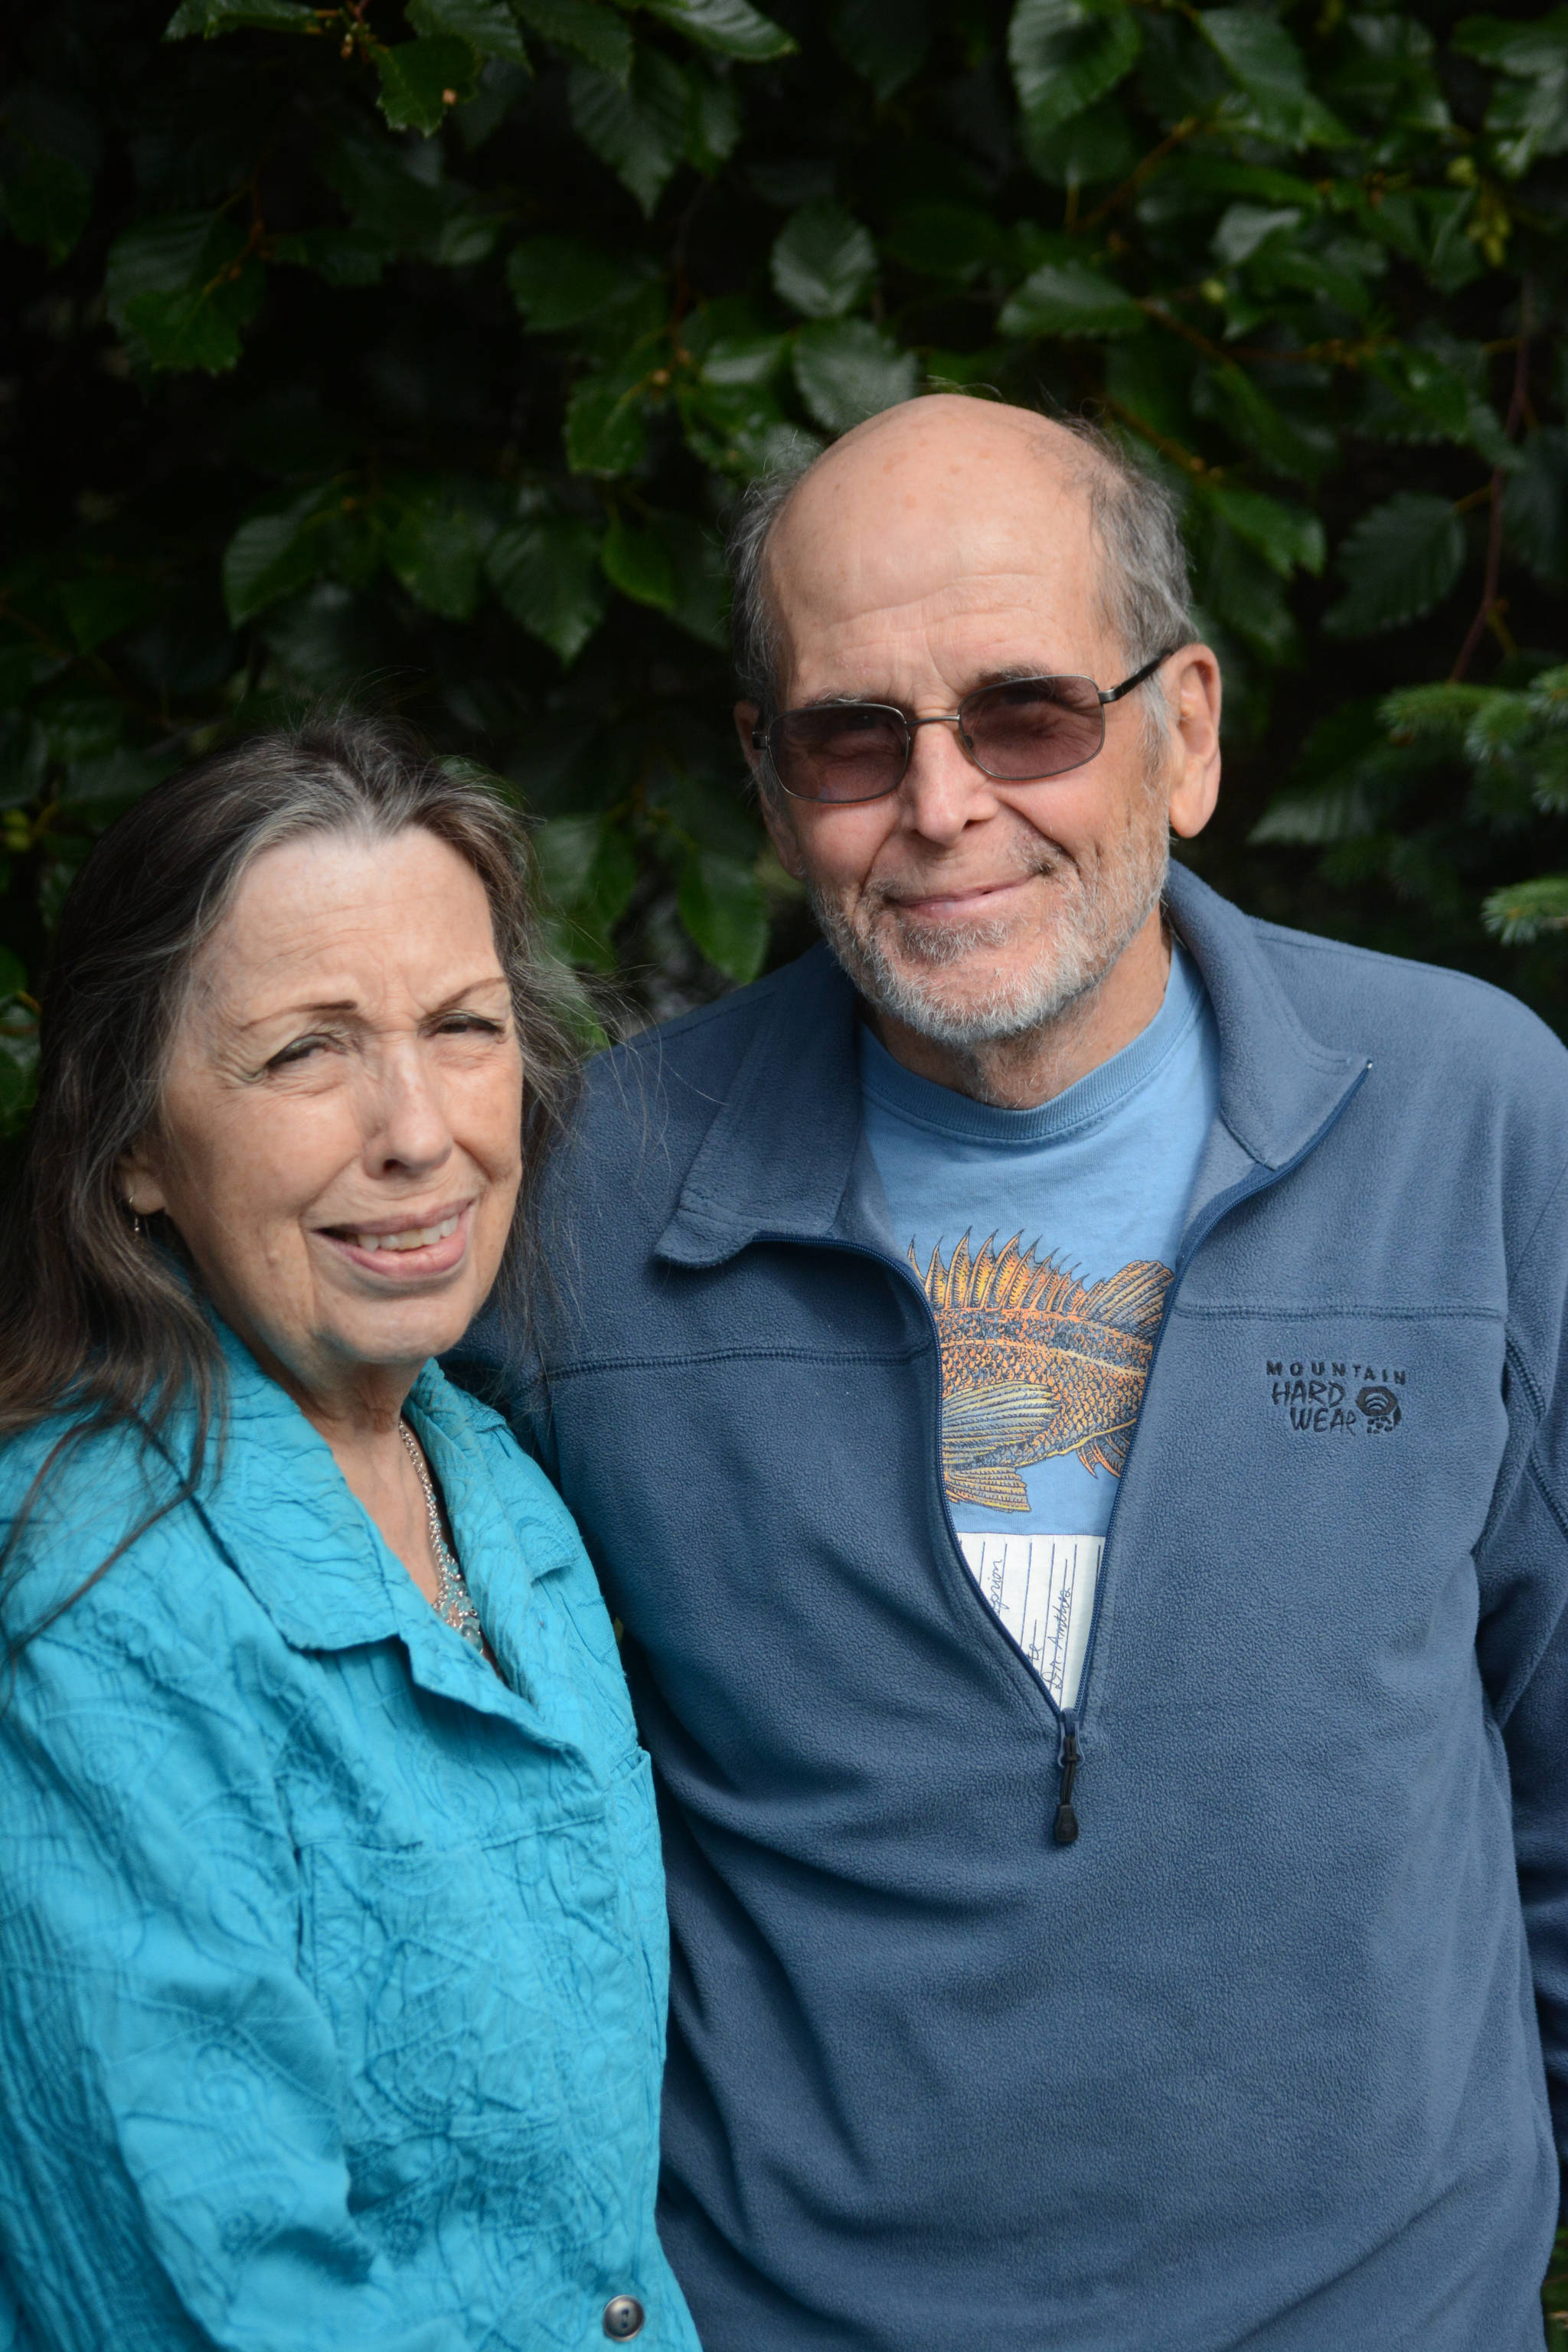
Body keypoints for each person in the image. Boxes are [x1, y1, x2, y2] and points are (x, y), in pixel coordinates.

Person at [452, 395, 1568, 2352]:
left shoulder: (1477, 1124)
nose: (943, 803)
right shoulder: (577, 1205)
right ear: (769, 777)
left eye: (1029, 713)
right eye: (852, 737)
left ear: (1188, 731)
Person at [0, 719, 697, 2352]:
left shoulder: (490, 1473)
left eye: (462, 1028)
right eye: (306, 1051)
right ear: (135, 1153)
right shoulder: (78, 1601)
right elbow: (211, 2295)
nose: (415, 1129)